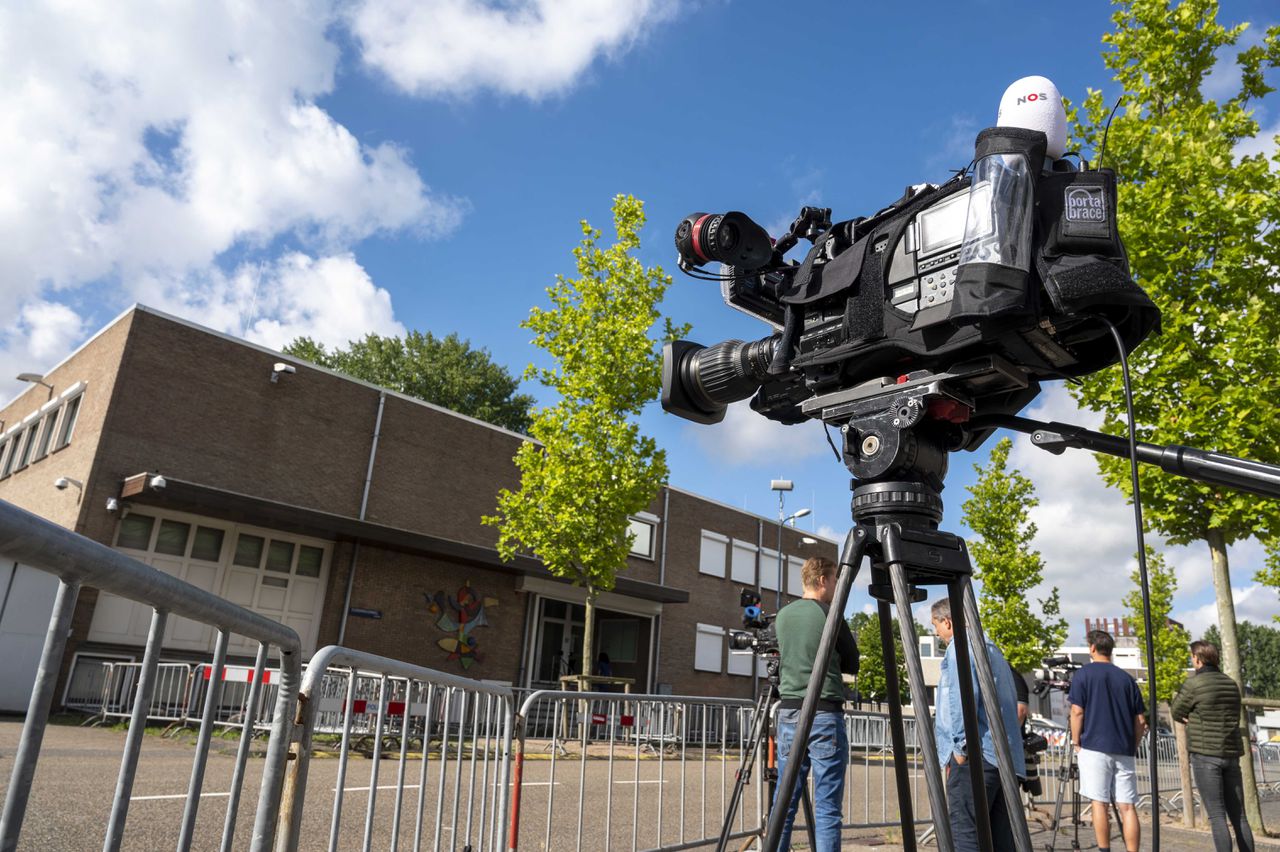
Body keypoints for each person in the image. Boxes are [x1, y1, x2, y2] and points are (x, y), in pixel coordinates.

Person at [773, 556, 859, 852]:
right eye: (835, 580)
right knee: (827, 809)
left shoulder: (782, 615)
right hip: (824, 712)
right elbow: (852, 660)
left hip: (787, 713)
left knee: (783, 803)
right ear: (823, 580)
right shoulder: (830, 614)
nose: (836, 586)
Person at [930, 598, 1026, 852]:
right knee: (1001, 838)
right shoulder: (992, 649)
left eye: (936, 625)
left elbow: (962, 699)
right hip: (1001, 759)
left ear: (947, 622)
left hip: (976, 757)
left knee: (965, 834)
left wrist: (960, 751)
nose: (936, 633)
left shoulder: (960, 647)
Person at [1171, 640, 1255, 851]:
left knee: (1217, 816)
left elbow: (1176, 711)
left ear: (1197, 659)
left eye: (1192, 657)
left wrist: (1191, 719)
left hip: (1205, 755)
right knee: (1239, 816)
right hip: (1231, 753)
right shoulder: (1231, 683)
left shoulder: (1194, 684)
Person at [1068, 629, 1146, 852]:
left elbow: (1077, 712)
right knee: (1128, 807)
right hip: (1124, 748)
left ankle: (1104, 849)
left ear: (1092, 648)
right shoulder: (1127, 680)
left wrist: (1076, 742)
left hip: (1094, 746)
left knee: (1099, 802)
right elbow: (1140, 721)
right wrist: (1134, 744)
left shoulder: (1083, 675)